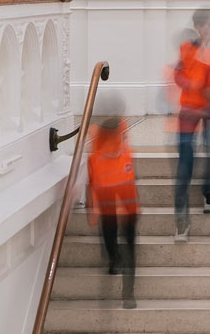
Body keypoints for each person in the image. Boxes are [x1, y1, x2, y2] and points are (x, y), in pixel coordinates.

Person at [168, 7, 210, 242]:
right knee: (185, 164)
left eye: (209, 24)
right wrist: (190, 84)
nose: (206, 29)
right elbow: (177, 74)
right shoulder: (187, 48)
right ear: (197, 26)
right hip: (189, 111)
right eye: (202, 25)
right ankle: (181, 221)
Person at [85, 92, 139, 309]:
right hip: (123, 189)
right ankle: (128, 293)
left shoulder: (96, 132)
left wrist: (91, 204)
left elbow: (93, 169)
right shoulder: (120, 127)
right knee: (129, 243)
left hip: (110, 188)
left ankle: (114, 259)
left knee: (110, 231)